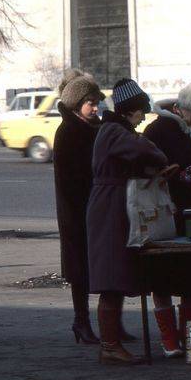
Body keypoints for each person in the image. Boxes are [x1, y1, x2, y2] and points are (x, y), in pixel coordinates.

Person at [85, 78, 176, 365]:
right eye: (140, 113)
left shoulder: (113, 130)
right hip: (109, 207)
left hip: (113, 204)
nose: (141, 120)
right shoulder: (115, 131)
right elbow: (143, 149)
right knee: (112, 276)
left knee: (117, 274)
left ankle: (111, 343)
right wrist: (159, 156)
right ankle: (109, 345)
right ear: (129, 111)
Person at [143, 81, 191, 357]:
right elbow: (145, 169)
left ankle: (188, 334)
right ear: (180, 108)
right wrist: (169, 173)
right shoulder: (157, 130)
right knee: (160, 279)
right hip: (163, 213)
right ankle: (169, 338)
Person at [54, 70, 105, 345]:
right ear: (76, 104)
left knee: (94, 266)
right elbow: (71, 178)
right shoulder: (69, 131)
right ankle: (81, 321)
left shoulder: (89, 127)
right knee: (80, 271)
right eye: (90, 103)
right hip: (77, 210)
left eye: (96, 102)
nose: (95, 108)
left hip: (91, 207)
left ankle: (106, 324)